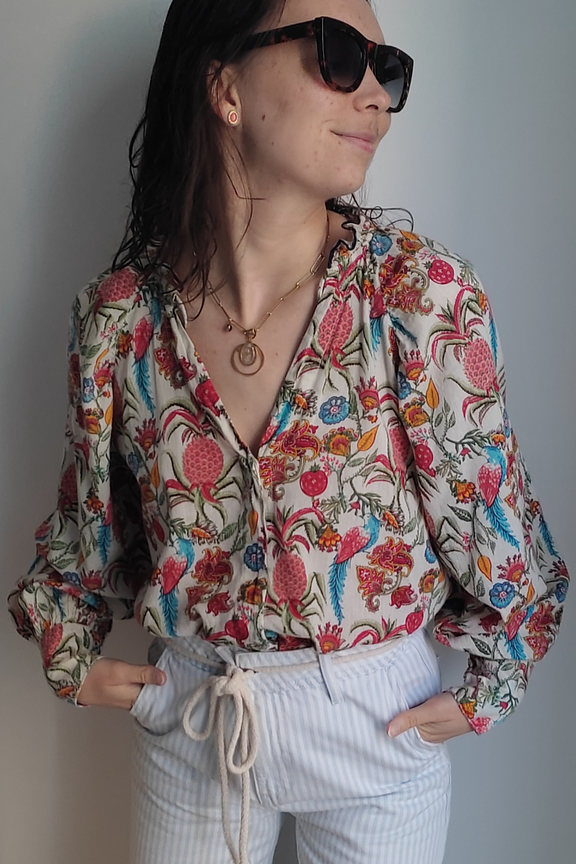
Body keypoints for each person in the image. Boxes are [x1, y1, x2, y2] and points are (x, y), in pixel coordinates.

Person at [8, 0, 569, 862]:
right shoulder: (120, 319)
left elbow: (489, 508)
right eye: (339, 55)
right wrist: (69, 646)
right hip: (197, 716)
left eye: (389, 69)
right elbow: (92, 517)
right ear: (226, 88)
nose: (376, 95)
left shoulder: (417, 297)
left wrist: (494, 678)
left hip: (377, 723)